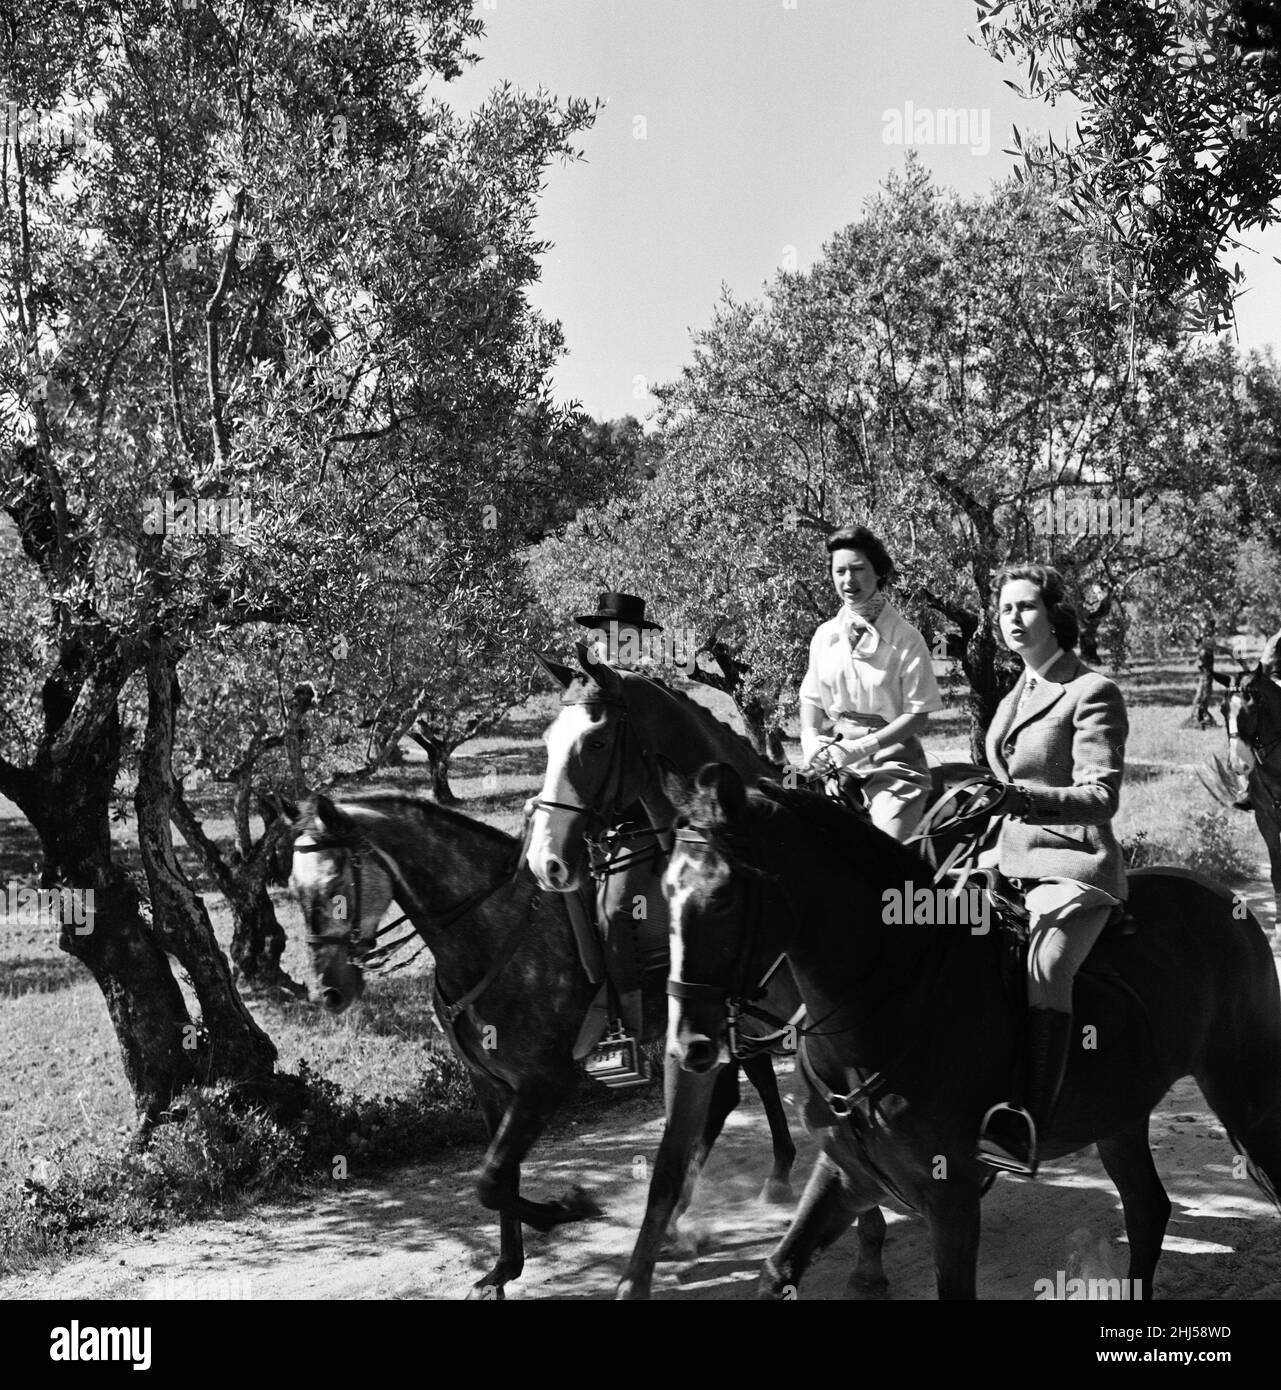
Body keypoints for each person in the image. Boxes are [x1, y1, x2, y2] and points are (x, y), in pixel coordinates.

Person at [977, 564, 1128, 1177]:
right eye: (1005, 608)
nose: (1013, 618)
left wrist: (1025, 800)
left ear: (1054, 615)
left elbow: (1102, 796)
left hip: (1074, 863)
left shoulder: (1092, 690)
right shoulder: (1019, 691)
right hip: (1009, 857)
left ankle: (1025, 1123)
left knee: (1044, 965)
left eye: (1026, 607)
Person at [798, 525, 943, 841]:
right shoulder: (825, 636)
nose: (848, 580)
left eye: (858, 569)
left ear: (878, 573)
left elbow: (918, 714)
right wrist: (810, 738)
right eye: (840, 571)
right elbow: (811, 699)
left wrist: (863, 746)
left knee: (885, 856)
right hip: (834, 760)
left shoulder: (907, 639)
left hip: (893, 767)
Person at [573, 593, 669, 1044]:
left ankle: (632, 1034)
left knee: (614, 914)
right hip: (597, 816)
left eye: (621, 635)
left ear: (637, 639)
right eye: (604, 634)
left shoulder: (649, 691)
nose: (610, 642)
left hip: (642, 820)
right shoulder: (592, 687)